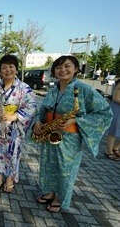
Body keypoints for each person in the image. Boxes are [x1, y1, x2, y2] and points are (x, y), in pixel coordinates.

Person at [33, 55, 112, 213]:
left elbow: (105, 112)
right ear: (54, 71)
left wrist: (76, 120)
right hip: (50, 135)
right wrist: (37, 121)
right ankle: (50, 192)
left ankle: (60, 198)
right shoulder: (54, 89)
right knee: (49, 165)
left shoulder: (84, 89)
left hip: (69, 138)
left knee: (66, 168)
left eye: (67, 66)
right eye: (58, 67)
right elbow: (42, 110)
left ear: (76, 69)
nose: (62, 70)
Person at [0, 55, 37, 193]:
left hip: (14, 128)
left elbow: (31, 106)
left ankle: (9, 179)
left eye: (11, 67)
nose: (8, 70)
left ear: (16, 69)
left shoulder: (24, 88)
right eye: (4, 67)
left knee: (12, 153)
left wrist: (14, 115)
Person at [105, 79, 120, 161]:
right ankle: (109, 151)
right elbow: (115, 98)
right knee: (114, 130)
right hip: (118, 109)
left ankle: (116, 147)